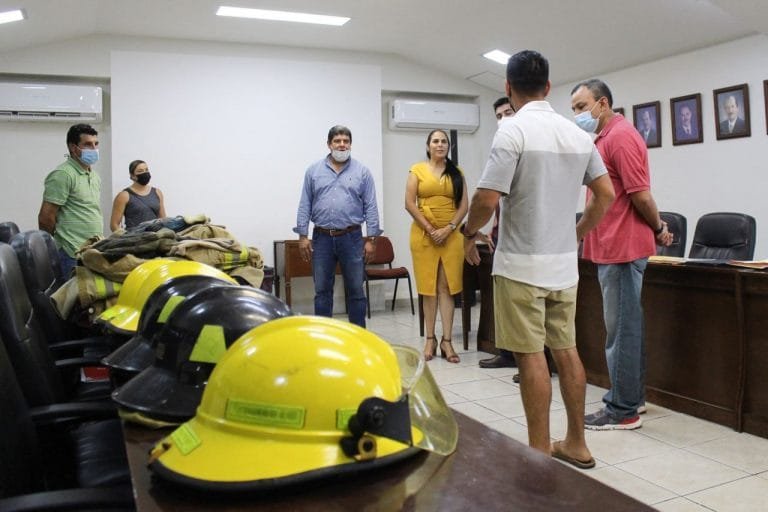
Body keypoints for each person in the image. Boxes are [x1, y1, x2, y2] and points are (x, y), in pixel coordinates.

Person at [464, 50, 614, 467]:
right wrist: (577, 233)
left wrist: (469, 232)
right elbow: (606, 195)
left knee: (531, 357)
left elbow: (485, 198)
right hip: (564, 267)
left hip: (521, 268)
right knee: (567, 351)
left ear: (507, 88)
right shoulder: (578, 135)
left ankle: (537, 452)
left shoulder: (512, 132)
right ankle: (577, 443)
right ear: (549, 87)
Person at [571, 78, 673, 431]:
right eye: (574, 110)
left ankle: (622, 410)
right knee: (627, 328)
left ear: (603, 103)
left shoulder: (621, 136)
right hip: (609, 246)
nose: (578, 115)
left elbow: (640, 195)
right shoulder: (602, 139)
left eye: (582, 107)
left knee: (621, 332)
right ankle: (633, 398)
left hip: (623, 249)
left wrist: (659, 226)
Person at [294, 125, 381, 328]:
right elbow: (305, 204)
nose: (342, 145)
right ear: (329, 144)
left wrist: (372, 239)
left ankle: (357, 338)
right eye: (337, 141)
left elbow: (371, 206)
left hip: (352, 238)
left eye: (346, 141)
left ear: (350, 145)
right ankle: (325, 338)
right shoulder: (313, 171)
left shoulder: (363, 172)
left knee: (356, 291)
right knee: (322, 290)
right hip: (322, 238)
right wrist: (302, 236)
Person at [405, 129, 468, 364]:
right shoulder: (417, 170)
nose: (440, 145)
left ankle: (447, 341)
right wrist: (431, 230)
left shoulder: (457, 172)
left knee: (447, 287)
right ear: (428, 145)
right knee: (428, 287)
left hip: (451, 236)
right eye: (435, 141)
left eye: (444, 141)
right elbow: (409, 203)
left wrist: (449, 228)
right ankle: (430, 339)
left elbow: (464, 205)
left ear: (447, 146)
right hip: (424, 236)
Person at [38, 123, 103, 278]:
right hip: (71, 253)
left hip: (92, 251)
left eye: (96, 144)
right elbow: (46, 217)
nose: (93, 149)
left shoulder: (94, 176)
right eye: (87, 144)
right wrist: (55, 248)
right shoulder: (63, 174)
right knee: (74, 301)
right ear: (74, 148)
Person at [109, 160, 167, 232]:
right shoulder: (124, 195)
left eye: (146, 170)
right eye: (140, 171)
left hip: (154, 238)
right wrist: (126, 239)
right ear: (132, 175)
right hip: (135, 239)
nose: (145, 173)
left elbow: (163, 219)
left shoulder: (157, 192)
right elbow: (114, 224)